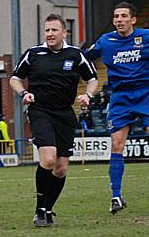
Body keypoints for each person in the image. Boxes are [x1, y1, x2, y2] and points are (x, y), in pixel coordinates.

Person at [85, 1, 149, 214]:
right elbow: (84, 57)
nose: (119, 20)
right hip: (119, 97)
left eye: (123, 16)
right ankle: (116, 196)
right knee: (117, 144)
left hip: (145, 93)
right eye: (116, 16)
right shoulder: (106, 41)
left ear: (133, 20)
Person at [10, 13, 98, 227]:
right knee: (48, 159)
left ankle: (48, 209)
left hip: (65, 113)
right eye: (47, 30)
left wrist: (88, 95)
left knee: (60, 168)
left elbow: (93, 79)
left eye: (54, 30)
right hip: (39, 110)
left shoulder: (76, 54)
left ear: (64, 33)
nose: (50, 34)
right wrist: (24, 94)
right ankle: (40, 209)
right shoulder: (33, 53)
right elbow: (14, 79)